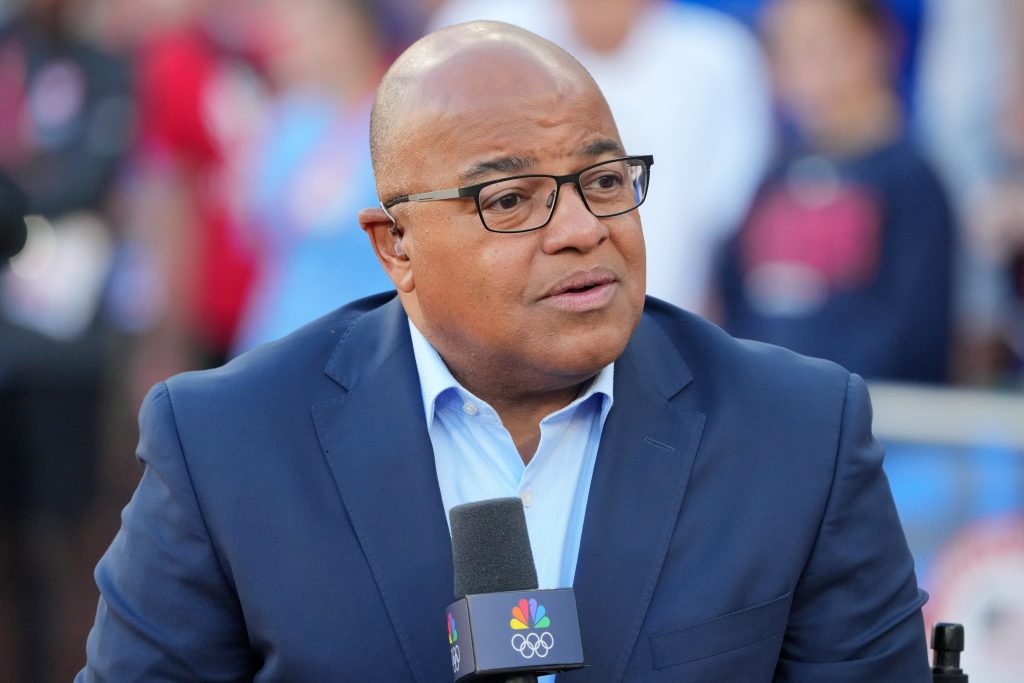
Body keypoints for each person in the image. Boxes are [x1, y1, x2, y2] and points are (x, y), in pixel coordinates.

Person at [78, 21, 931, 681]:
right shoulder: (226, 443)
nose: (582, 229)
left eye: (604, 181)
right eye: (512, 199)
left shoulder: (799, 433)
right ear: (397, 246)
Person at [716, 0, 954, 383]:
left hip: (864, 405)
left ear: (878, 45)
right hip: (761, 398)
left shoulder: (910, 179)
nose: (803, 73)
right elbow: (733, 296)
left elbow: (914, 333)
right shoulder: (771, 177)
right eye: (784, 53)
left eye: (819, 48)